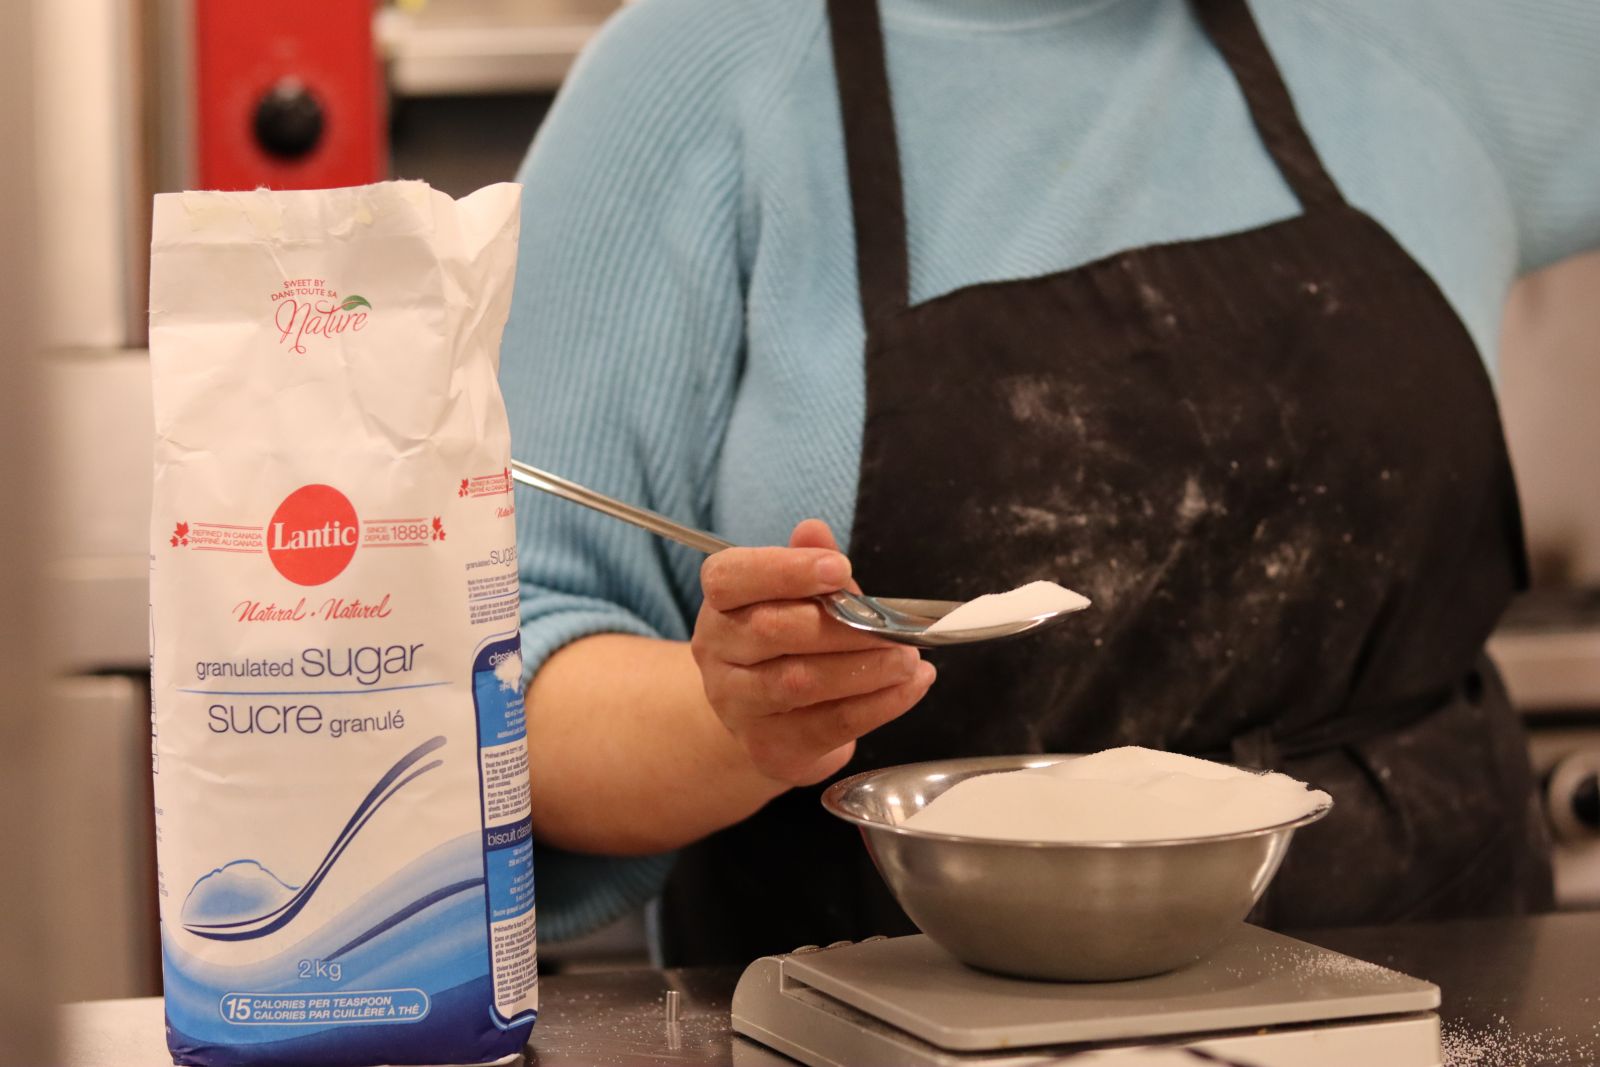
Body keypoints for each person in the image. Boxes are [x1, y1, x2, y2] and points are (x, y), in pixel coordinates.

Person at [499, 0, 1600, 966]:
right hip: (906, 1003)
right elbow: (512, 696)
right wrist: (744, 716)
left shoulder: (1431, 27)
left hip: (1436, 977)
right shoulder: (696, 71)